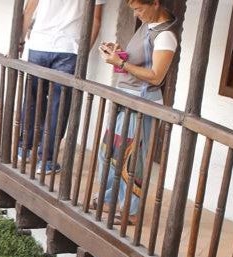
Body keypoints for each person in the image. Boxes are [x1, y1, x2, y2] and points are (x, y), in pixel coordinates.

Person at [95, 0, 177, 224]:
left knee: (131, 159)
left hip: (142, 103)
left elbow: (156, 75)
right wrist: (119, 55)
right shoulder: (146, 26)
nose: (137, 14)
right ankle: (110, 199)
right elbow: (140, 61)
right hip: (127, 98)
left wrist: (121, 65)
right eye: (134, 10)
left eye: (140, 9)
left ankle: (130, 210)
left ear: (156, 4)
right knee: (109, 153)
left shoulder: (165, 36)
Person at [19, 0, 104, 172]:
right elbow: (95, 19)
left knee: (33, 99)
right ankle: (46, 161)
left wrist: (19, 42)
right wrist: (83, 52)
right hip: (69, 48)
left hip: (40, 44)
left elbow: (28, 10)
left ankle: (24, 148)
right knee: (59, 106)